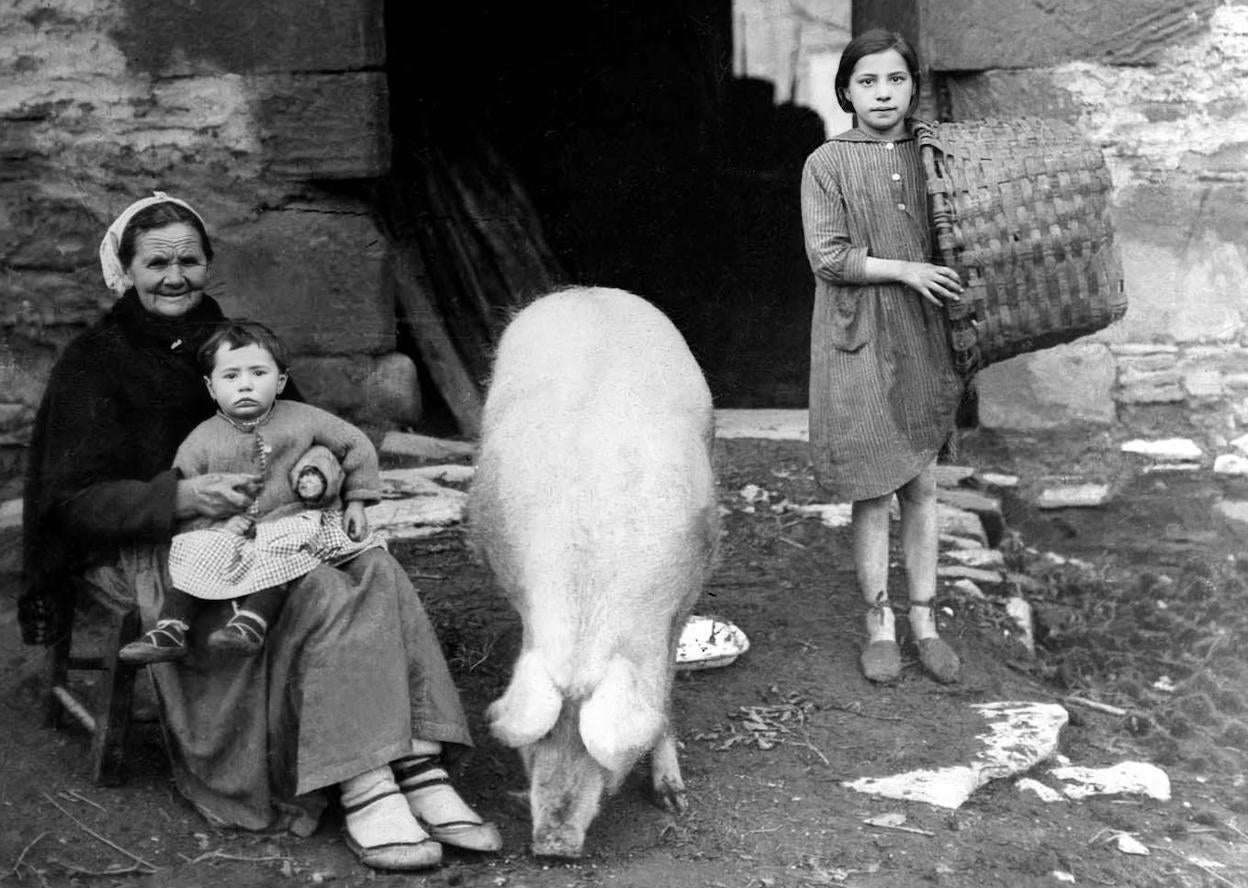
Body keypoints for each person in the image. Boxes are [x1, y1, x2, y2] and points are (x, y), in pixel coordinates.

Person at [19, 192, 502, 870]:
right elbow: (74, 501)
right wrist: (184, 493)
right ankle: (364, 781)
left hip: (268, 525)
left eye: (189, 260)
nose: (175, 276)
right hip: (158, 543)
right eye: (156, 262)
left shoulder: (232, 341)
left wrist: (314, 464)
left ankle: (418, 762)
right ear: (125, 270)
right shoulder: (96, 360)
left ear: (208, 264)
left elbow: (297, 423)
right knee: (321, 594)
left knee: (376, 567)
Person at [800, 30, 966, 684]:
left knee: (921, 484)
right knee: (873, 490)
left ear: (912, 87)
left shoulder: (935, 155)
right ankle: (879, 625)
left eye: (895, 80)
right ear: (846, 91)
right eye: (867, 82)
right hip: (858, 333)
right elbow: (829, 256)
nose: (882, 94)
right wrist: (907, 270)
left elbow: (962, 224)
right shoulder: (827, 163)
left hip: (922, 331)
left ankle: (923, 620)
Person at [119, 321, 387, 664]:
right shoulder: (201, 439)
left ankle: (249, 625)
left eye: (258, 373)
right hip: (231, 529)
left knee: (282, 543)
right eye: (230, 377)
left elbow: (356, 445)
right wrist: (209, 527)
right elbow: (187, 490)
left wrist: (357, 503)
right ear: (211, 387)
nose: (245, 385)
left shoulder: (303, 418)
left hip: (292, 520)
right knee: (195, 550)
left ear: (280, 381)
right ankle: (170, 630)